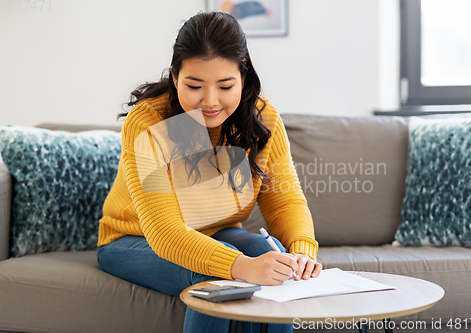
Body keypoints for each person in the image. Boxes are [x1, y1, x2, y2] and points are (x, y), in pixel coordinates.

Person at [97, 11, 322, 333]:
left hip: (216, 230)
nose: (210, 101)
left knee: (277, 262)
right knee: (218, 273)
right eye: (194, 85)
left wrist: (301, 252)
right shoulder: (149, 123)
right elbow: (164, 231)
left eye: (225, 85)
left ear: (243, 78)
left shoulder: (263, 118)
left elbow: (284, 201)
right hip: (132, 240)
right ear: (175, 76)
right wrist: (240, 266)